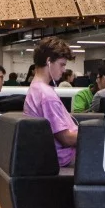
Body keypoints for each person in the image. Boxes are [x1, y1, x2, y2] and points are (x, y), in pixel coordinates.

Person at [24, 37, 78, 167]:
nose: (64, 70)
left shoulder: (36, 88)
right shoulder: (47, 96)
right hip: (66, 158)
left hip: (53, 155)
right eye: (62, 64)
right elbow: (66, 139)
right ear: (49, 61)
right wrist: (92, 133)